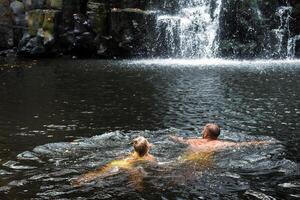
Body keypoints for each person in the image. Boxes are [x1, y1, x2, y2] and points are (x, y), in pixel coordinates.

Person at [72, 136, 156, 188]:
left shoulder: (135, 152)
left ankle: (81, 180)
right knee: (137, 176)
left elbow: (141, 148)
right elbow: (152, 161)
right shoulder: (150, 158)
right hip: (129, 166)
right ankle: (138, 187)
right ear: (148, 146)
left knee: (100, 173)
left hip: (120, 162)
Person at [171, 123, 272, 153]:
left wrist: (171, 136)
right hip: (206, 160)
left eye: (203, 130)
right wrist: (263, 142)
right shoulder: (221, 144)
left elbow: (179, 140)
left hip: (191, 155)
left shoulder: (193, 141)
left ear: (205, 134)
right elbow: (245, 144)